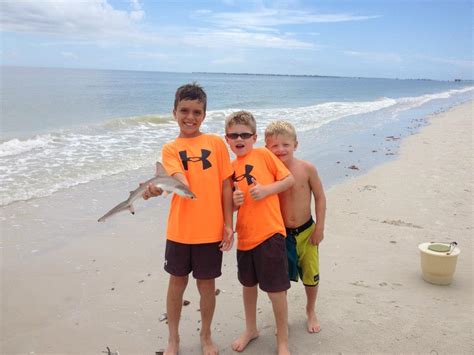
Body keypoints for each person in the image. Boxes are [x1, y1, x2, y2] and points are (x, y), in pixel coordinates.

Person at [143, 83, 234, 355]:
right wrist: (163, 187)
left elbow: (226, 186)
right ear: (174, 112)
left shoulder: (216, 143)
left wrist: (229, 224)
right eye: (184, 110)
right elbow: (176, 177)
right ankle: (173, 339)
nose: (190, 117)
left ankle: (206, 335)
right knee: (176, 284)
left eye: (196, 112)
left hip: (211, 230)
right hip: (180, 230)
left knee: (207, 287)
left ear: (204, 115)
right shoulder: (171, 148)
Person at [224, 110, 294, 355]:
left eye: (245, 134)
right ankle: (251, 329)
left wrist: (266, 190)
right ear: (227, 139)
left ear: (254, 137)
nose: (239, 139)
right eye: (234, 135)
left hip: (270, 233)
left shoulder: (264, 154)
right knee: (248, 285)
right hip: (246, 238)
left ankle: (282, 340)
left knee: (276, 290)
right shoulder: (230, 168)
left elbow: (288, 180)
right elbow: (229, 206)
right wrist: (234, 200)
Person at [264, 120, 326, 334]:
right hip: (281, 235)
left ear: (295, 144)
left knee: (311, 275)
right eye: (275, 145)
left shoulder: (306, 169)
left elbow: (319, 198)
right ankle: (283, 318)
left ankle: (311, 310)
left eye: (285, 145)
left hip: (308, 233)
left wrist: (320, 228)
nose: (281, 150)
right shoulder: (268, 173)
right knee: (281, 280)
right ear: (267, 148)